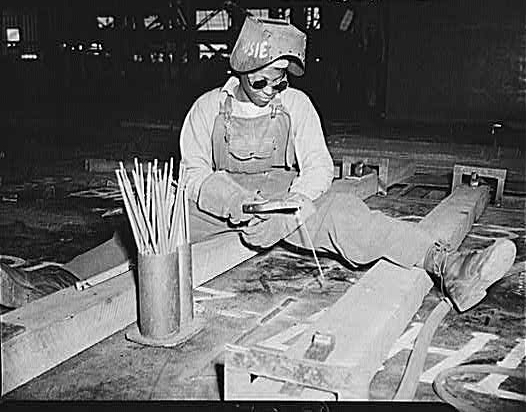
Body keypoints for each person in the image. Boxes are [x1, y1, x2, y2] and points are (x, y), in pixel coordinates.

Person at [179, 16, 516, 313]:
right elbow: (194, 175)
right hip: (221, 202)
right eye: (261, 82)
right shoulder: (207, 108)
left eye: (280, 80)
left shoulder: (295, 104)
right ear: (240, 72)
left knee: (348, 216)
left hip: (283, 198)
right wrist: (234, 203)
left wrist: (289, 209)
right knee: (164, 222)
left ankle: (452, 266)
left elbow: (317, 167)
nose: (271, 90)